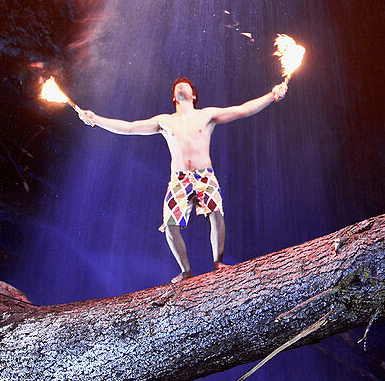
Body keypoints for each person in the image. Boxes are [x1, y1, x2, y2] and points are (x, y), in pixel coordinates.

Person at [76, 76, 288, 282]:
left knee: (215, 214)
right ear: (174, 98)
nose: (181, 87)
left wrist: (271, 95)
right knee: (170, 225)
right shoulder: (164, 121)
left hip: (205, 175)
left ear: (193, 95)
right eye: (178, 87)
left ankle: (218, 262)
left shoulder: (207, 115)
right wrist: (96, 120)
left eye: (185, 85)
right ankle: (186, 271)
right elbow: (129, 127)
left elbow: (242, 110)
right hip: (178, 179)